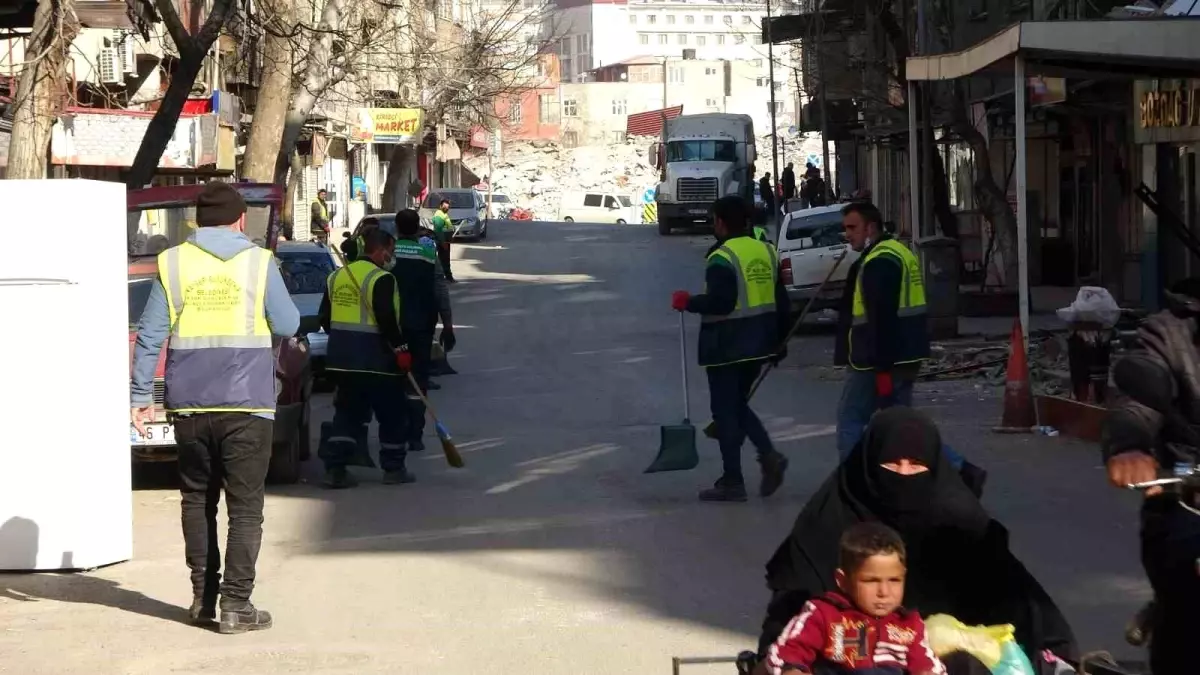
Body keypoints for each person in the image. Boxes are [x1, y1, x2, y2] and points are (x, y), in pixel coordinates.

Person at [757, 408, 1077, 671]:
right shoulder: (828, 522)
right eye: (892, 465)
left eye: (916, 465)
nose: (904, 474)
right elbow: (788, 618)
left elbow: (1022, 603)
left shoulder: (962, 524)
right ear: (868, 466)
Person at [130, 181, 300, 634]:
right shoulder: (260, 263)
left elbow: (150, 335)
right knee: (245, 507)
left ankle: (203, 599)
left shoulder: (173, 262)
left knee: (196, 500)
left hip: (189, 404)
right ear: (241, 219)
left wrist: (141, 398)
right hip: (248, 405)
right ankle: (236, 605)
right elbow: (288, 322)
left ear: (197, 222)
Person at [833, 202, 978, 485]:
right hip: (902, 357)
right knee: (900, 430)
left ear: (870, 228)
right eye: (845, 228)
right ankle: (959, 469)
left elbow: (881, 319)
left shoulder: (879, 262)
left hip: (875, 362)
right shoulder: (897, 252)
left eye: (852, 228)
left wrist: (882, 370)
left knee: (851, 420)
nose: (847, 234)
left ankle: (854, 485)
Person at [1102, 279, 1200, 675]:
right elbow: (1136, 405)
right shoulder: (1171, 332)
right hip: (1187, 486)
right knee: (1186, 604)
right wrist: (1130, 447)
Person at [671, 195, 791, 502]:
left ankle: (735, 479)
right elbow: (782, 301)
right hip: (760, 343)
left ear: (720, 222)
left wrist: (690, 302)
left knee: (727, 411)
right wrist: (781, 341)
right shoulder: (766, 250)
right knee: (736, 406)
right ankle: (763, 459)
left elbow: (721, 303)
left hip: (728, 345)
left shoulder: (722, 257)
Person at [759, 522, 946, 675]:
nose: (884, 591)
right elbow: (786, 653)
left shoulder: (909, 624)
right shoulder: (824, 614)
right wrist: (792, 670)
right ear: (843, 581)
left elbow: (927, 666)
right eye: (871, 581)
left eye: (894, 580)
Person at [318, 227, 413, 488]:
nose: (391, 258)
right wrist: (401, 349)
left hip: (342, 360)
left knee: (347, 414)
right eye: (390, 253)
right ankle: (394, 468)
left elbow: (324, 318)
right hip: (378, 362)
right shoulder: (382, 279)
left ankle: (336, 469)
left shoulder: (336, 276)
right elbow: (387, 320)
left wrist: (342, 339)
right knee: (392, 414)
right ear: (380, 251)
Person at [390, 209, 456, 451]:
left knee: (394, 379)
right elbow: (440, 290)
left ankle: (395, 429)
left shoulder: (388, 254)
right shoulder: (428, 254)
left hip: (391, 328)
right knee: (418, 380)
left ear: (396, 228)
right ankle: (414, 434)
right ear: (418, 228)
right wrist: (447, 323)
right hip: (421, 327)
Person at [431, 197, 456, 283]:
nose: (447, 208)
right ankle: (446, 277)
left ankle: (447, 276)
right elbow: (438, 230)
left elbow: (447, 227)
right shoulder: (439, 215)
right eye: (445, 206)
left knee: (445, 259)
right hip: (442, 241)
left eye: (448, 207)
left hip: (446, 240)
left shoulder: (444, 214)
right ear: (440, 206)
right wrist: (443, 242)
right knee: (444, 260)